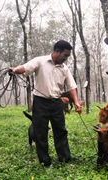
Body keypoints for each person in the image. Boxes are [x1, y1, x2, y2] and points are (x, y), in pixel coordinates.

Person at [10, 40, 82, 168]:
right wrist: (15, 70)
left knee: (60, 131)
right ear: (57, 51)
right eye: (65, 55)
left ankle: (65, 159)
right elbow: (25, 67)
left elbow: (72, 86)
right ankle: (45, 161)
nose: (66, 58)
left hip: (57, 102)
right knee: (40, 132)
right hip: (40, 102)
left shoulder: (64, 68)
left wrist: (76, 102)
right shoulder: (40, 61)